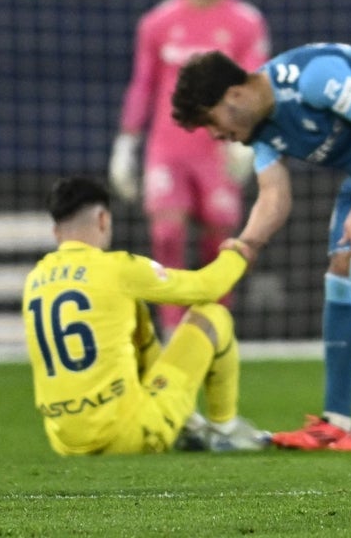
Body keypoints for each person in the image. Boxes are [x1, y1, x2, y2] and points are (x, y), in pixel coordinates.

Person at [171, 44, 351, 452]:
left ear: (234, 95)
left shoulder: (313, 80)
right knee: (339, 277)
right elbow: (274, 195)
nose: (216, 135)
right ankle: (336, 422)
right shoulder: (262, 131)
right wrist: (247, 246)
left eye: (210, 120)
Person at [22, 175, 269, 455]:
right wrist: (237, 253)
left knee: (135, 314)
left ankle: (188, 425)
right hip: (128, 435)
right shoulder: (117, 268)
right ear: (103, 219)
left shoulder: (35, 279)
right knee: (213, 315)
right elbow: (207, 287)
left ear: (57, 233)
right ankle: (225, 431)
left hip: (65, 443)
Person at [109, 0, 270, 335]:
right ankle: (171, 330)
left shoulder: (244, 22)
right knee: (167, 232)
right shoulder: (158, 22)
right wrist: (126, 143)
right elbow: (143, 84)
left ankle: (215, 325)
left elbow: (255, 83)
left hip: (218, 147)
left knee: (221, 238)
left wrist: (248, 139)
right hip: (168, 148)